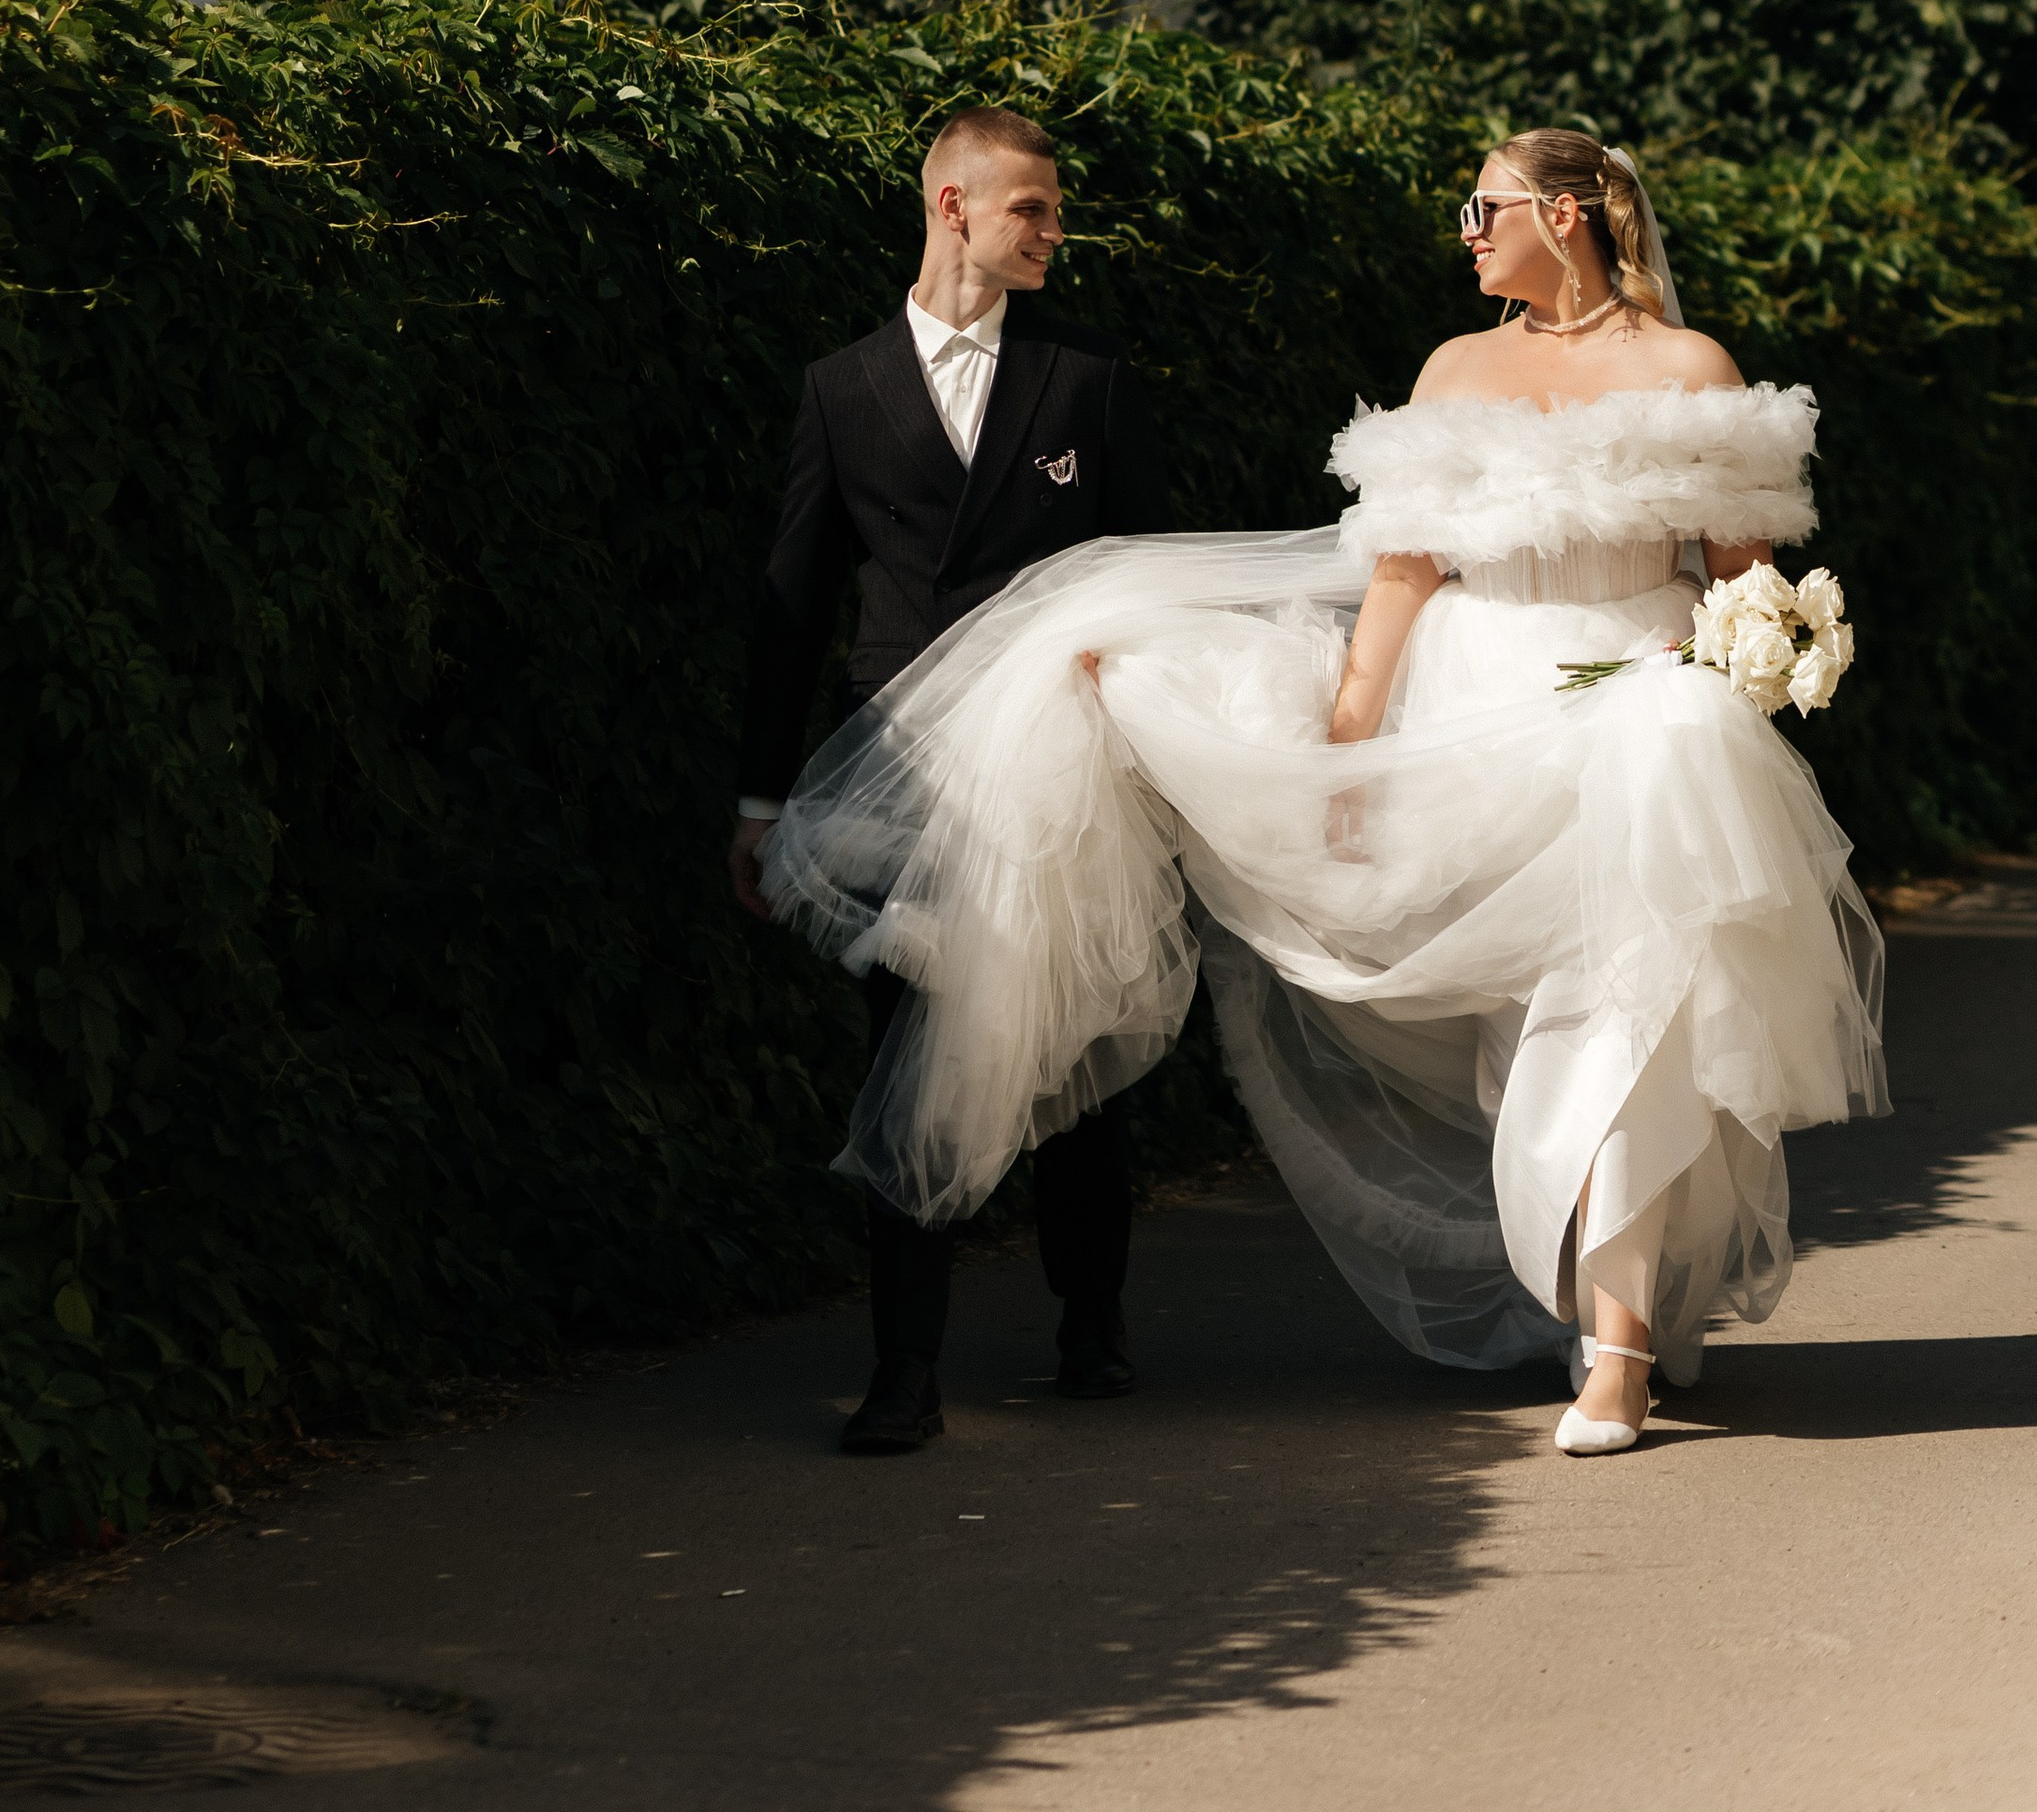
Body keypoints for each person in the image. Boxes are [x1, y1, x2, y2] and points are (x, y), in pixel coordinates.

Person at [763, 129, 1886, 1459]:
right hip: (1482, 721)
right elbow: (1404, 576)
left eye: (1485, 205)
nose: (1465, 230)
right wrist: (1349, 748)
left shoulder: (1692, 370)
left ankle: (1623, 1349)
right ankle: (1608, 1295)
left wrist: (1754, 667)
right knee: (1525, 1041)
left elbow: (1734, 582)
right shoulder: (1455, 371)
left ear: (1572, 213)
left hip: (1642, 716)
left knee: (1627, 1006)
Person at [731, 104, 1169, 1456]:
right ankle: (903, 1374)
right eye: (1030, 208)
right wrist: (756, 801)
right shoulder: (841, 387)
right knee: (912, 1056)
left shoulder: (1090, 374)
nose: (1053, 230)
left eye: (1054, 207)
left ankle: (1090, 1320)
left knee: (1083, 1051)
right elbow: (792, 605)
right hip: (902, 769)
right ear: (952, 207)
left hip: (1065, 771)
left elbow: (1153, 572)